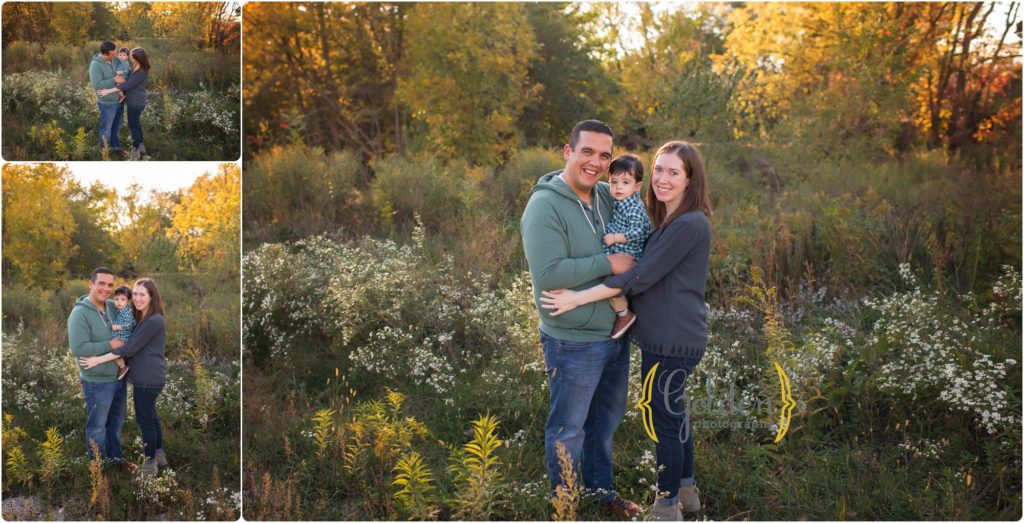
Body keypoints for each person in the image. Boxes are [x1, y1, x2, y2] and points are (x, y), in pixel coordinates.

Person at [540, 141, 713, 520]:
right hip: (669, 336)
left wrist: (576, 299)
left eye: (674, 172)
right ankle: (687, 490)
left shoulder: (688, 223)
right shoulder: (669, 219)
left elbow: (638, 276)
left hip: (670, 340)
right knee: (674, 412)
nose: (663, 179)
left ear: (690, 178)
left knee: (662, 419)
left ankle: (666, 507)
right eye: (659, 170)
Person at [520, 119, 641, 518]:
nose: (596, 162)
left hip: (614, 333)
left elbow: (641, 219)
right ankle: (565, 505)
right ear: (568, 151)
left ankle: (601, 494)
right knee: (569, 429)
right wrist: (609, 261)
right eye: (587, 151)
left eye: (604, 155)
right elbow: (550, 273)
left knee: (603, 426)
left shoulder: (608, 196)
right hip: (572, 341)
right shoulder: (545, 206)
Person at [80, 278, 168, 476]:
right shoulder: (145, 317)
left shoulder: (153, 321)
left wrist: (97, 360)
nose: (137, 298)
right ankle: (159, 455)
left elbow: (128, 348)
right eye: (135, 294)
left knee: (145, 419)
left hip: (148, 380)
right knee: (151, 417)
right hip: (150, 377)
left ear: (151, 297)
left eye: (142, 295)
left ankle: (149, 465)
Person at [67, 267, 130, 470]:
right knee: (97, 428)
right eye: (101, 283)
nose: (106, 288)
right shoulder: (79, 314)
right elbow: (79, 348)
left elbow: (129, 318)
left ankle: (116, 461)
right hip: (97, 382)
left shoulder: (112, 306)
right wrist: (111, 345)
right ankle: (97, 469)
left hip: (119, 376)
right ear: (90, 283)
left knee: (116, 424)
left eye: (110, 284)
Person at [601, 154, 652, 339]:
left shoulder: (634, 207)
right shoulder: (621, 202)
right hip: (620, 250)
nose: (618, 187)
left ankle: (624, 314)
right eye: (613, 182)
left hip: (629, 255)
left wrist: (615, 237)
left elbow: (640, 231)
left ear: (637, 186)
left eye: (625, 182)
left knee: (607, 279)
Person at [98, 47, 149, 160]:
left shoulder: (141, 72)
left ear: (137, 59)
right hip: (133, 100)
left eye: (131, 55)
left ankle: (136, 151)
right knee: (136, 123)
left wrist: (108, 91)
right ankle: (141, 146)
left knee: (133, 125)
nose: (129, 57)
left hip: (136, 102)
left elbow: (127, 85)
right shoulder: (135, 66)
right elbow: (127, 80)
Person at [88, 41, 126, 152]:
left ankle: (115, 147)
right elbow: (97, 85)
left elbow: (122, 67)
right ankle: (104, 151)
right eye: (113, 54)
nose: (116, 56)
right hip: (107, 103)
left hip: (119, 100)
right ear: (105, 54)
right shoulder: (95, 65)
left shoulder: (112, 60)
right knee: (106, 129)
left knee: (117, 127)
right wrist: (114, 79)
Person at [110, 285, 134, 380]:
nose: (119, 302)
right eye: (116, 299)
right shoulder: (121, 309)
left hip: (124, 336)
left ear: (128, 301)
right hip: (120, 335)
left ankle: (122, 366)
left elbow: (130, 324)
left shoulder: (127, 312)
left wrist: (118, 327)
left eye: (122, 299)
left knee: (111, 349)